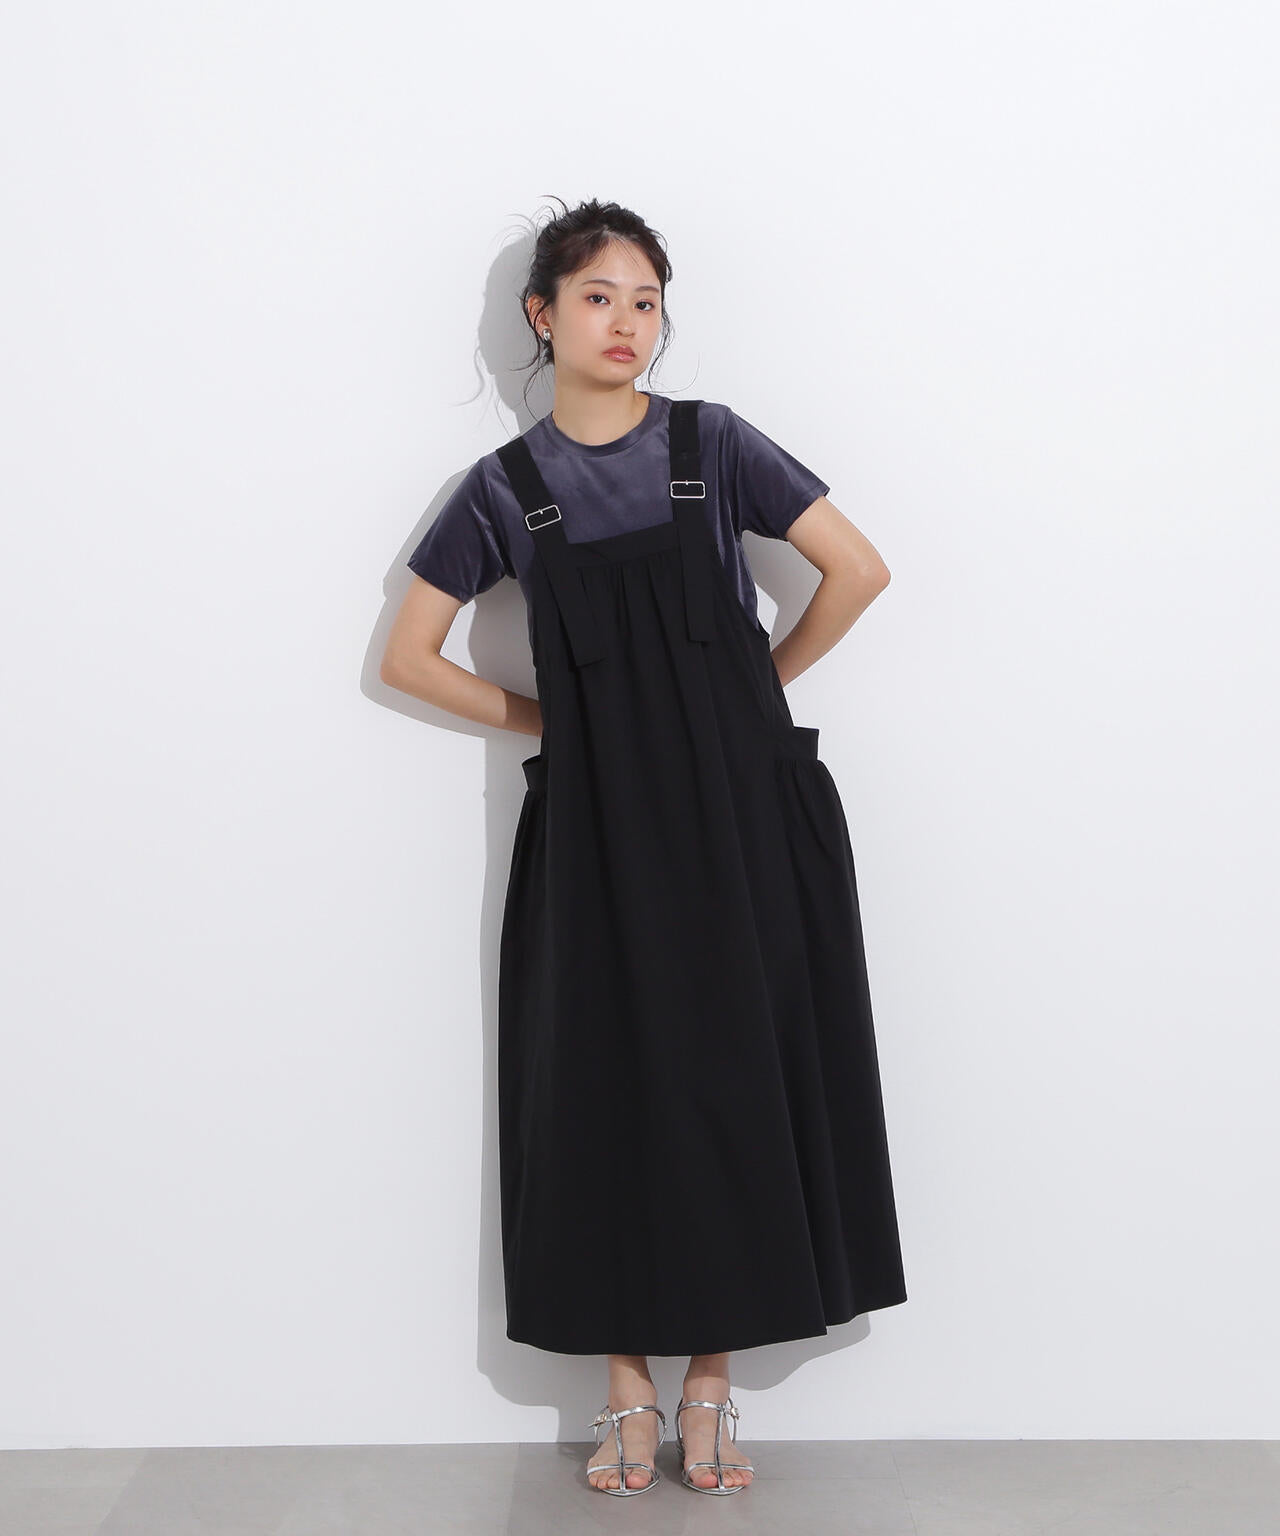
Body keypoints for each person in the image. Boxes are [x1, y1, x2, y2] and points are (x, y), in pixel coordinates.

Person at [381, 197, 907, 1497]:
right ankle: (625, 1389)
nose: (627, 323)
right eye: (599, 297)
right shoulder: (506, 492)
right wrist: (552, 721)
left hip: (744, 816)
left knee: (739, 1075)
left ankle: (711, 1384)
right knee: (603, 1083)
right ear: (543, 314)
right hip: (600, 828)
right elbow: (408, 656)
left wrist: (752, 695)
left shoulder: (711, 444)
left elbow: (858, 569)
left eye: (647, 301)